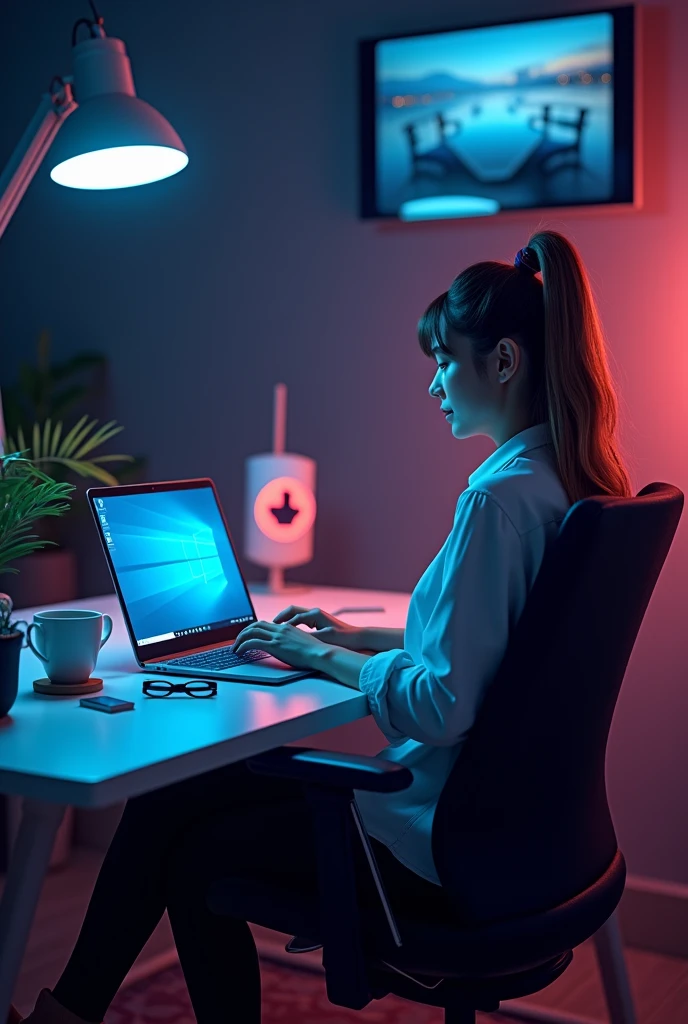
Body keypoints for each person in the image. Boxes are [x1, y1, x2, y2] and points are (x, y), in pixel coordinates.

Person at [10, 230, 631, 1024]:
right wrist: (352, 637)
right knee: (182, 791)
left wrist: (307, 650)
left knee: (188, 850)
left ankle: (67, 1013)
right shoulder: (564, 489)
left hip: (431, 849)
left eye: (444, 359)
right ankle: (70, 1012)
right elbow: (494, 659)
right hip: (524, 842)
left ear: (503, 363)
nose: (434, 383)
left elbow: (441, 707)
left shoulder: (497, 502)